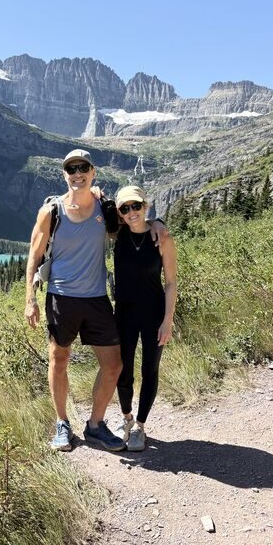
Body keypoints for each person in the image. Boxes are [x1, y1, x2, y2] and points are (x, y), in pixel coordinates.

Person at [24, 149, 164, 452]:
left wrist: (156, 224)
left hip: (97, 299)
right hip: (61, 297)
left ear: (92, 172)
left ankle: (95, 424)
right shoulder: (52, 211)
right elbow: (34, 256)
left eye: (83, 168)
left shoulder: (105, 208)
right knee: (58, 359)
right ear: (65, 175)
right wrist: (30, 300)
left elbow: (133, 220)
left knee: (113, 365)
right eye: (71, 169)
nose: (77, 174)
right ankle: (63, 423)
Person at [111, 185, 177, 451]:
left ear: (145, 206)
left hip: (154, 313)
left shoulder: (161, 237)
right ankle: (125, 418)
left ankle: (140, 426)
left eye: (136, 206)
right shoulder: (117, 233)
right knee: (122, 369)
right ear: (120, 212)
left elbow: (171, 282)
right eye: (125, 208)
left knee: (149, 370)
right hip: (124, 313)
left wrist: (168, 320)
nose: (131, 212)